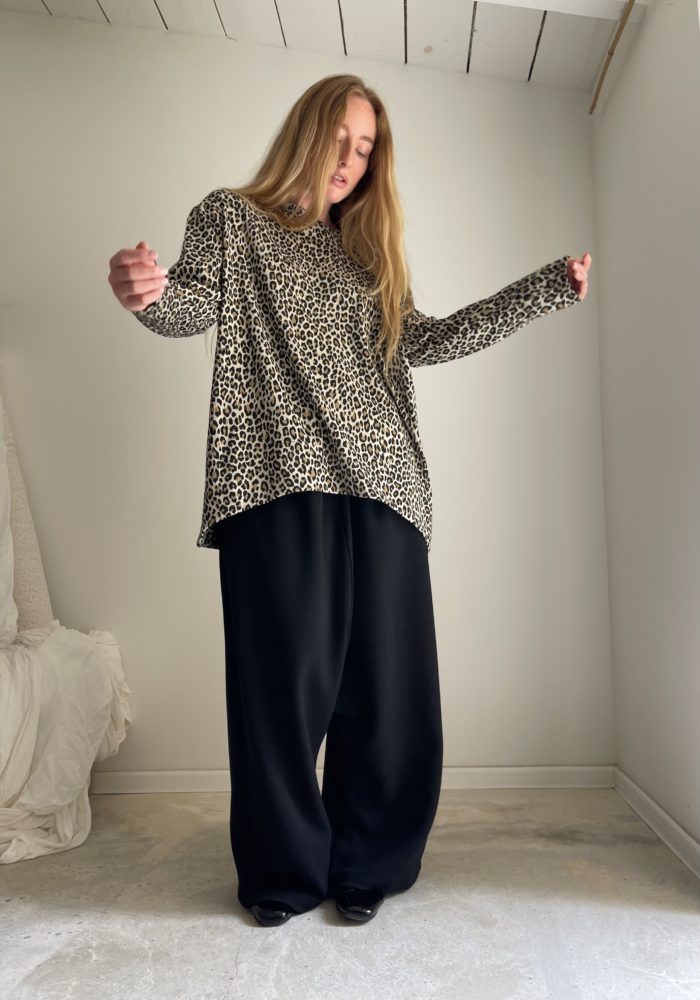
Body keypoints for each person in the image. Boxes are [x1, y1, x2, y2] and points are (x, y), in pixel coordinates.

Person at [107, 73, 591, 928]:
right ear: (307, 131)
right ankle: (283, 874)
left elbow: (428, 339)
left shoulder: (368, 254)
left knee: (387, 694)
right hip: (274, 477)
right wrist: (145, 292)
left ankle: (368, 864)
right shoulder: (232, 218)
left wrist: (545, 287)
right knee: (281, 692)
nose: (350, 160)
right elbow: (188, 304)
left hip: (385, 485)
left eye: (366, 149)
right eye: (340, 139)